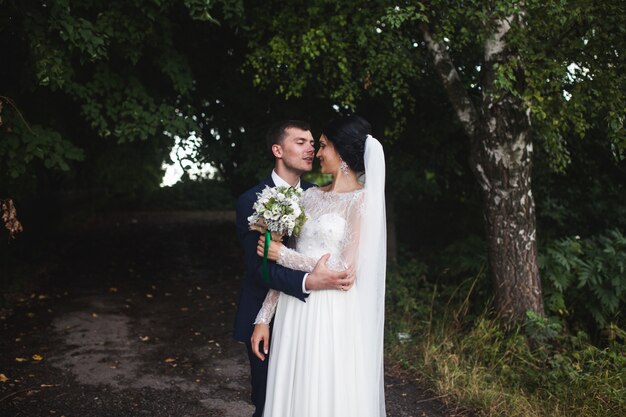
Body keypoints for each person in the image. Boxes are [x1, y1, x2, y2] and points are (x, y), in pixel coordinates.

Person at [251, 115, 387, 417]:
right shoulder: (309, 197)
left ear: (339, 151)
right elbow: (286, 263)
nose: (318, 152)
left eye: (323, 145)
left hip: (331, 311)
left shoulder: (361, 201)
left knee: (323, 389)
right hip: (293, 306)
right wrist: (264, 315)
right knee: (292, 388)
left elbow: (343, 268)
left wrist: (281, 255)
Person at [233, 120, 356, 417]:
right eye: (301, 142)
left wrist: (316, 279)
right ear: (278, 149)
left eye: (313, 143)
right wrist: (309, 282)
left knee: (309, 399)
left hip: (317, 314)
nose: (311, 148)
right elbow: (259, 267)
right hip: (269, 316)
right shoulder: (251, 200)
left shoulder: (319, 196)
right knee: (268, 402)